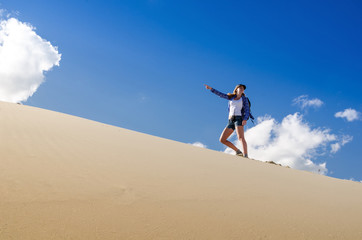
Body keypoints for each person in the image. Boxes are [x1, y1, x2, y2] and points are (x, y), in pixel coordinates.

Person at [204, 84, 250, 158]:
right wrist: (211, 89)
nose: (242, 89)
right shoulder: (231, 97)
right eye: (240, 88)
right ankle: (238, 151)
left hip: (239, 119)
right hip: (231, 120)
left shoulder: (244, 99)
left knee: (241, 138)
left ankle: (245, 155)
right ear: (236, 89)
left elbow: (247, 110)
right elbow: (221, 94)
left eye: (243, 89)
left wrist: (244, 119)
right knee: (222, 139)